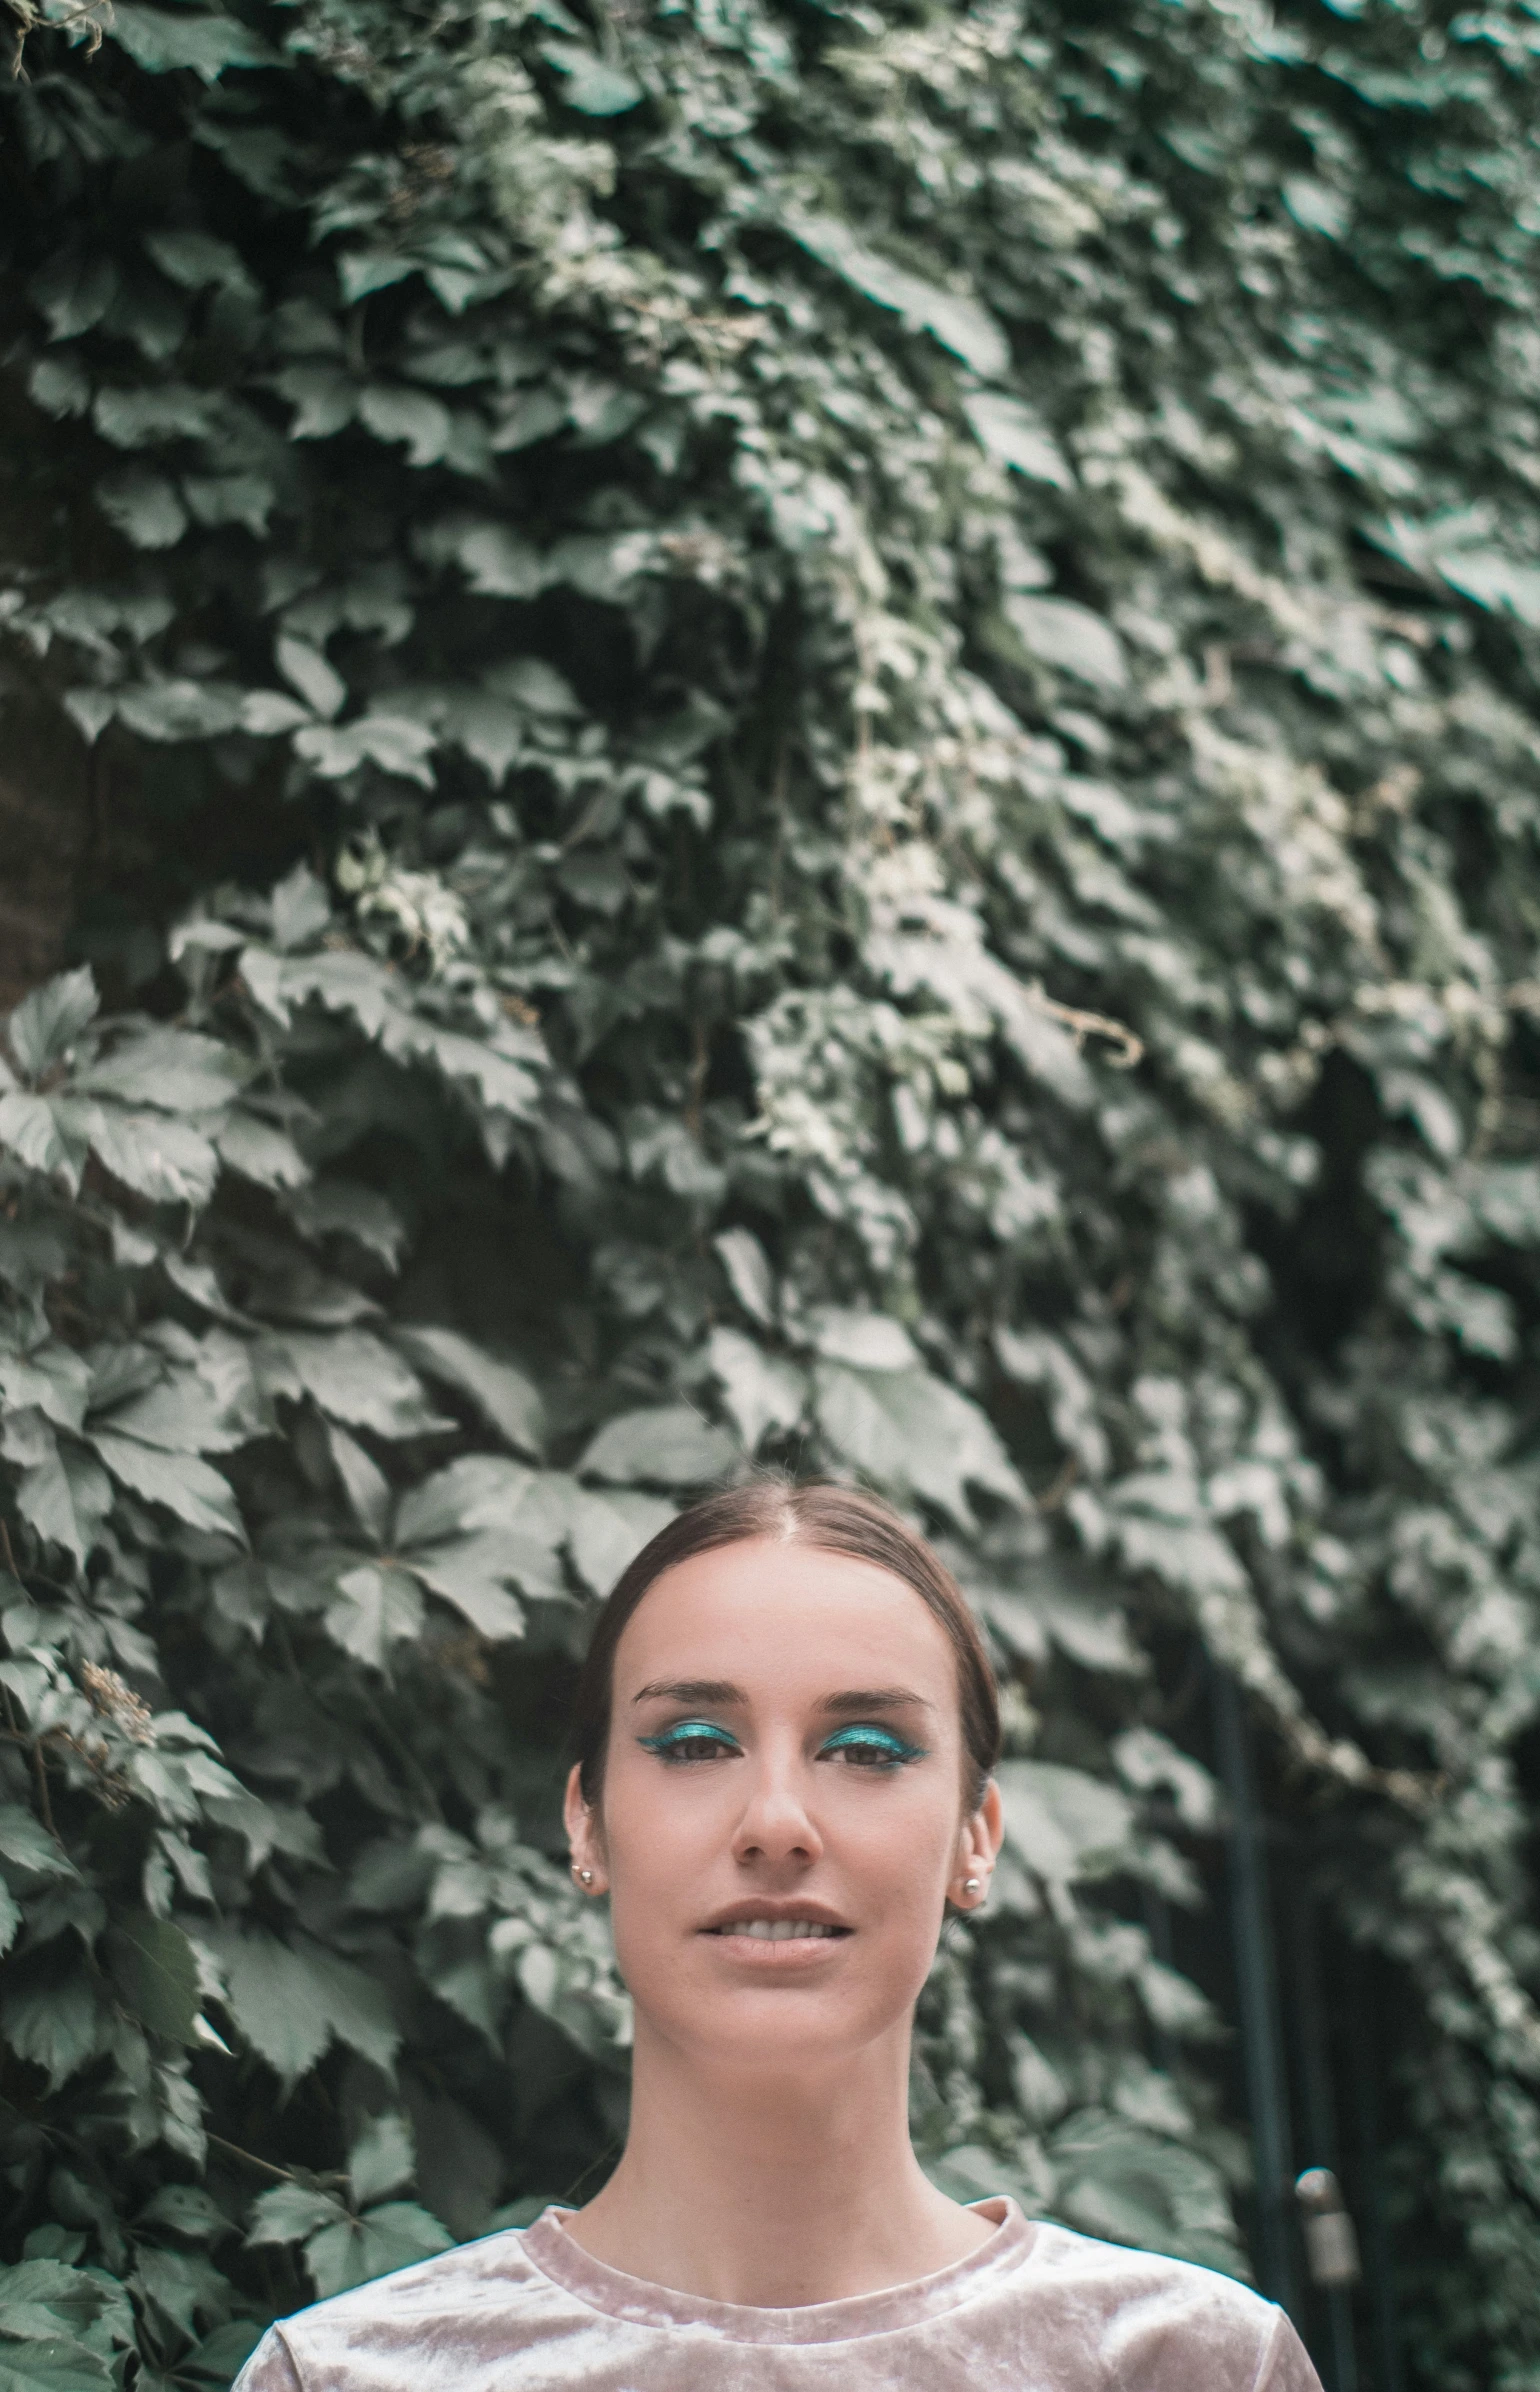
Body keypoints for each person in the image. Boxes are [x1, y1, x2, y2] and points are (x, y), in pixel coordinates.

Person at [234, 1478, 1324, 2390]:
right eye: (696, 1741)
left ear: (974, 1838)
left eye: (865, 1747)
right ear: (587, 1821)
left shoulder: (1190, 2365)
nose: (775, 1825)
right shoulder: (345, 2379)